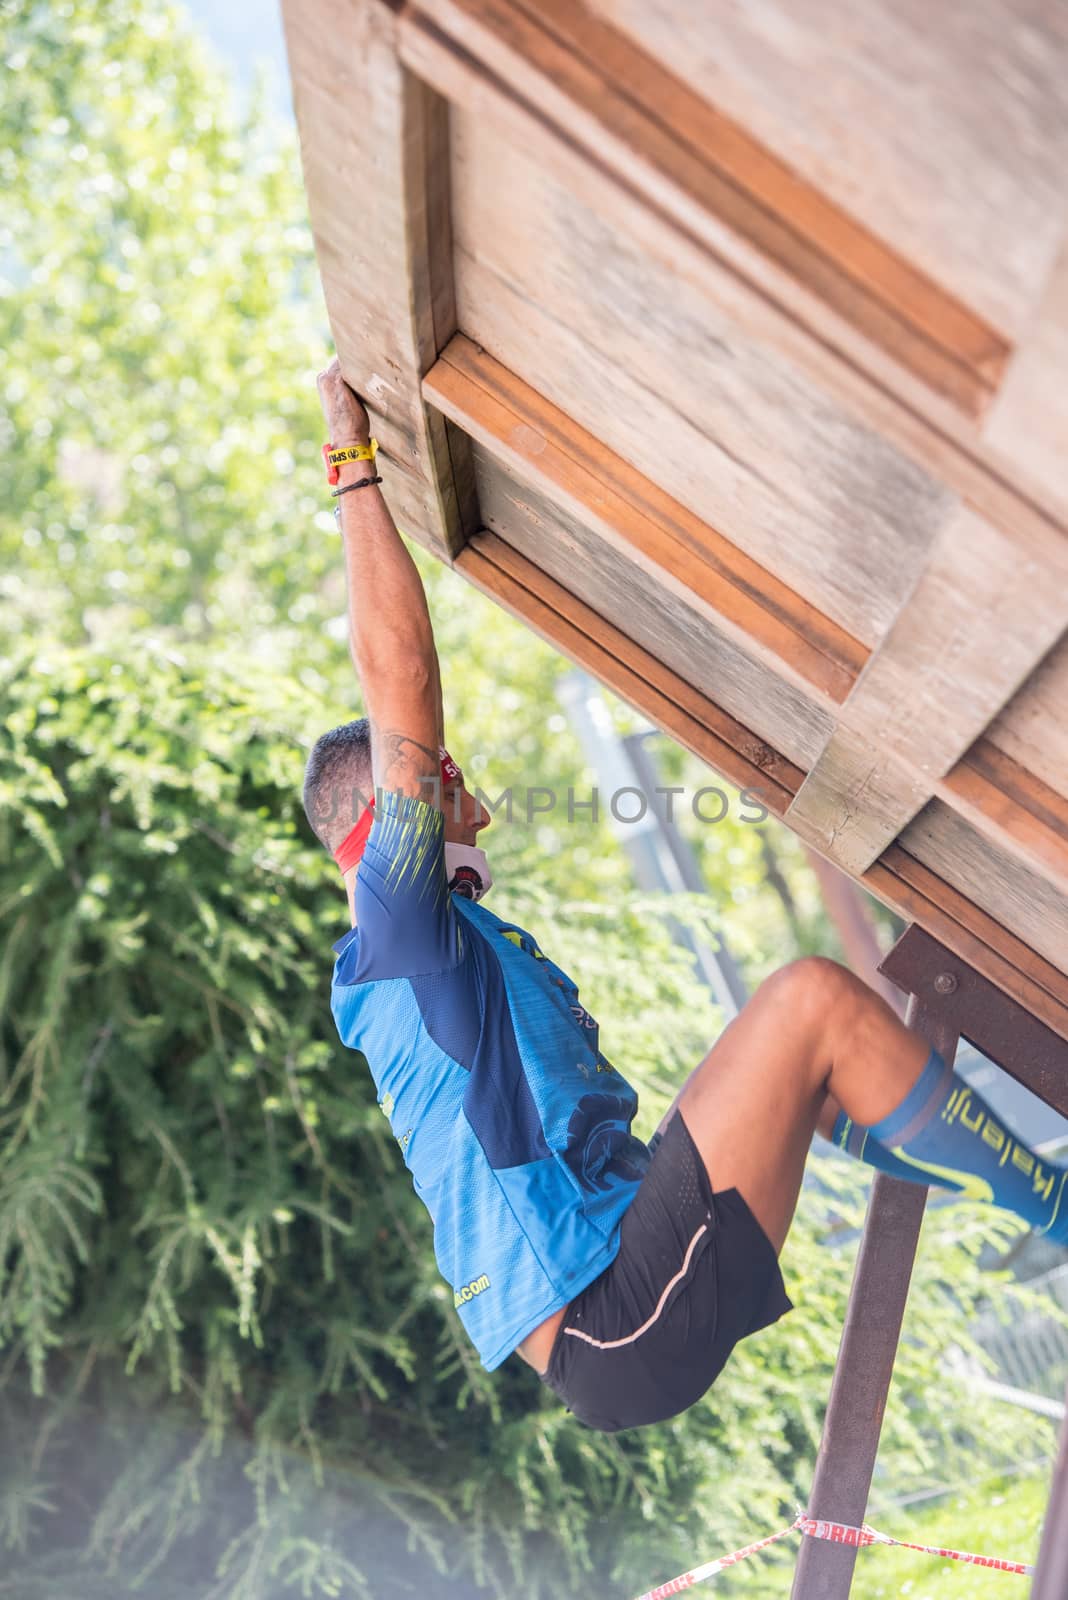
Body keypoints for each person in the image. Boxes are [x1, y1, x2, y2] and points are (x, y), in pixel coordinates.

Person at [303, 359, 1068, 1434]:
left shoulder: (439, 954)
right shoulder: (399, 926)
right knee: (806, 1000)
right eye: (447, 776)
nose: (470, 793)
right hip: (610, 1317)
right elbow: (401, 680)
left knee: (808, 1063)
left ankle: (1030, 1196)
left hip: (618, 1299)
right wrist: (352, 461)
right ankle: (1061, 1211)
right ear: (393, 813)